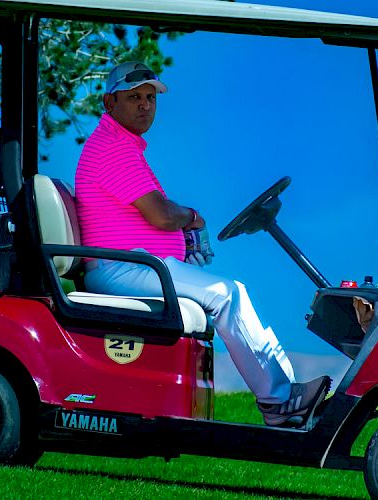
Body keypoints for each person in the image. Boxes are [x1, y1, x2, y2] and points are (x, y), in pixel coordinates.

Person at [75, 61, 330, 428]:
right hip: (124, 267)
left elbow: (156, 215)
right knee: (228, 294)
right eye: (134, 97)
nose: (145, 104)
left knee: (228, 293)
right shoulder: (113, 149)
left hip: (137, 264)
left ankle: (285, 392)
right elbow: (161, 216)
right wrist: (192, 217)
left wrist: (182, 236)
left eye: (150, 97)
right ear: (110, 102)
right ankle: (279, 403)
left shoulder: (123, 147)